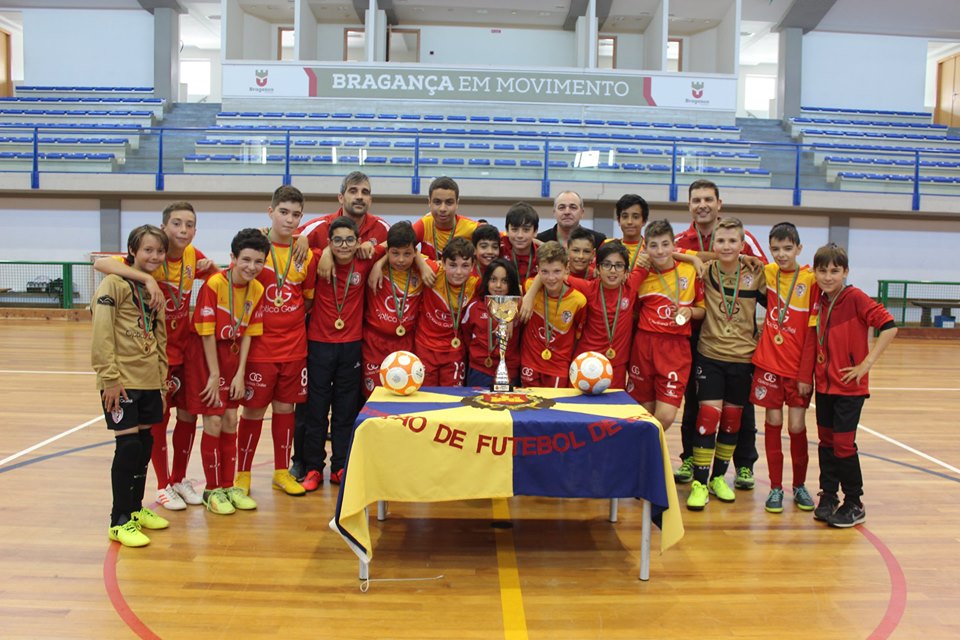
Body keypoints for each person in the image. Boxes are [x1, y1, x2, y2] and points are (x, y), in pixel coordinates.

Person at [93, 202, 215, 511]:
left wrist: (212, 267)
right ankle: (161, 486)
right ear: (164, 228)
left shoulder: (193, 256)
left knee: (188, 415)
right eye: (176, 224)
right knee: (155, 422)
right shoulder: (148, 259)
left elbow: (220, 280)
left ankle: (178, 478)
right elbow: (102, 264)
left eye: (189, 225)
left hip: (181, 349)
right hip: (145, 355)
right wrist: (147, 279)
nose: (183, 231)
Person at [674, 179, 768, 491]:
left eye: (708, 199)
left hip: (739, 343)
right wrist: (696, 257)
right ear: (689, 205)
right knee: (696, 402)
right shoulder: (680, 239)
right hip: (696, 335)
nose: (702, 204)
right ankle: (690, 457)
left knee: (741, 408)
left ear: (719, 203)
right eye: (696, 199)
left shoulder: (744, 239)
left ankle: (744, 464)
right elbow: (669, 255)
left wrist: (740, 258)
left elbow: (761, 272)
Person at [801, 243, 897, 528]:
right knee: (827, 443)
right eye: (822, 270)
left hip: (849, 388)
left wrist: (865, 365)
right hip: (825, 387)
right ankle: (829, 495)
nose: (828, 276)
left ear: (845, 271)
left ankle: (854, 501)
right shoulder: (818, 298)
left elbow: (889, 326)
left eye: (834, 271)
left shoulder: (855, 297)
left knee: (843, 445)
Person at [93, 225, 172, 547]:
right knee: (127, 449)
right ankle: (119, 519)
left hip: (149, 380)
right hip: (121, 382)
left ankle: (136, 510)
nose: (154, 256)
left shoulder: (156, 291)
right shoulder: (114, 282)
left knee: (143, 447)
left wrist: (163, 384)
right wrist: (109, 378)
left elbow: (160, 339)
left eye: (159, 251)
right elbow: (102, 332)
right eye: (147, 250)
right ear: (133, 251)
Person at [236, 186, 316, 499]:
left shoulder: (304, 252)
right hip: (259, 349)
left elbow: (306, 300)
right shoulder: (255, 246)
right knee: (253, 413)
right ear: (270, 212)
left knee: (286, 410)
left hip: (294, 349)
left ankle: (281, 471)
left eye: (296, 214)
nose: (290, 219)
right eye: (283, 212)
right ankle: (242, 473)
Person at [182, 229, 268, 515]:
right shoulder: (215, 284)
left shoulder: (256, 289)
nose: (251, 267)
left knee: (231, 419)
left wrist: (240, 373)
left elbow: (249, 336)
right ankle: (212, 490)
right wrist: (213, 375)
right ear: (232, 257)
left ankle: (229, 486)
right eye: (245, 260)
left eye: (258, 261)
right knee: (214, 422)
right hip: (207, 359)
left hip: (232, 358)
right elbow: (206, 334)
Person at [300, 217, 375, 488]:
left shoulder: (365, 259)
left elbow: (401, 245)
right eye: (338, 241)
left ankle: (340, 466)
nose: (344, 245)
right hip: (319, 344)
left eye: (350, 240)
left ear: (358, 242)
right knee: (316, 410)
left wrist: (370, 249)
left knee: (345, 411)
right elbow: (299, 240)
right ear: (329, 242)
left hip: (352, 345)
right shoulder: (317, 258)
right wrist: (324, 253)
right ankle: (313, 468)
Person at [750, 223, 819, 514]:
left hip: (797, 370)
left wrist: (805, 375)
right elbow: (743, 256)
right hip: (768, 364)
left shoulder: (812, 280)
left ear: (799, 249)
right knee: (774, 424)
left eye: (787, 248)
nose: (781, 254)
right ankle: (776, 487)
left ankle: (800, 485)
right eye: (775, 249)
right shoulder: (768, 272)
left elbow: (813, 333)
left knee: (796, 426)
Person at [523, 241, 640, 389]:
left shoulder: (631, 286)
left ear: (626, 271)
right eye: (606, 265)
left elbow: (657, 256)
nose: (612, 270)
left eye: (618, 265)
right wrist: (529, 295)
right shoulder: (588, 288)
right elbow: (551, 272)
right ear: (597, 269)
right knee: (575, 409)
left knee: (612, 410)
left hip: (616, 365)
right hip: (583, 363)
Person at [627, 220, 705, 431]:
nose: (660, 251)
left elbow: (702, 309)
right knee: (641, 413)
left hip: (676, 348)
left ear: (673, 246)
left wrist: (689, 312)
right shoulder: (641, 273)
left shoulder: (689, 270)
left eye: (665, 244)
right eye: (653, 245)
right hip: (644, 345)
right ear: (645, 248)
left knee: (665, 417)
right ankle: (643, 462)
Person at [361, 221, 424, 396]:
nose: (401, 259)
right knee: (373, 396)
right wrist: (378, 263)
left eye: (407, 254)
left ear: (415, 253)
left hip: (406, 343)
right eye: (395, 253)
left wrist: (423, 264)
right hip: (375, 343)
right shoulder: (373, 263)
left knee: (404, 395)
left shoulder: (422, 270)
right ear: (387, 251)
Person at [519, 241, 587, 388]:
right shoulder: (530, 287)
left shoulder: (578, 301)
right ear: (537, 270)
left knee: (554, 408)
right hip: (530, 362)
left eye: (557, 271)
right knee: (528, 408)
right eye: (545, 272)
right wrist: (530, 295)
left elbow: (578, 337)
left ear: (566, 269)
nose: (551, 278)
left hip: (559, 366)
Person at [415, 237, 480, 386]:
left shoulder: (475, 283)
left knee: (452, 400)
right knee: (426, 398)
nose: (458, 272)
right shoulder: (433, 271)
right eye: (452, 265)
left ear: (473, 266)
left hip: (454, 352)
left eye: (465, 266)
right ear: (443, 262)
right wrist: (377, 266)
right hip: (425, 348)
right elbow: (409, 247)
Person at [297, 171, 389, 259]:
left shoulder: (381, 227)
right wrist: (323, 251)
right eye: (353, 191)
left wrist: (379, 260)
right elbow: (286, 239)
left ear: (370, 201)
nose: (359, 197)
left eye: (365, 192)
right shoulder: (320, 226)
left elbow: (402, 243)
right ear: (341, 198)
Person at [462, 257, 522, 388]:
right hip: (480, 370)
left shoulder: (519, 308)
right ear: (486, 281)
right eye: (493, 280)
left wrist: (511, 313)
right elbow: (466, 336)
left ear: (511, 283)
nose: (498, 285)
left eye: (504, 281)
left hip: (509, 371)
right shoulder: (474, 307)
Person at [412, 176, 479, 260]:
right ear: (429, 202)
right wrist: (422, 264)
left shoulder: (471, 227)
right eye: (437, 202)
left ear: (457, 203)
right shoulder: (424, 225)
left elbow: (497, 241)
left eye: (449, 203)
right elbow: (400, 247)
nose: (442, 209)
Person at [536, 190, 606, 249]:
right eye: (561, 207)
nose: (567, 212)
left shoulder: (598, 241)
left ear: (582, 213)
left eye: (573, 207)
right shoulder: (539, 240)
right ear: (554, 212)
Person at [500, 201, 539, 290]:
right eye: (514, 229)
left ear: (535, 231)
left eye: (526, 230)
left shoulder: (543, 256)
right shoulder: (498, 250)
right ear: (507, 230)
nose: (520, 235)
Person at [608, 193, 649, 270]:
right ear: (618, 220)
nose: (629, 222)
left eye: (635, 217)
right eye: (625, 216)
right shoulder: (608, 245)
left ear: (644, 221)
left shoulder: (650, 249)